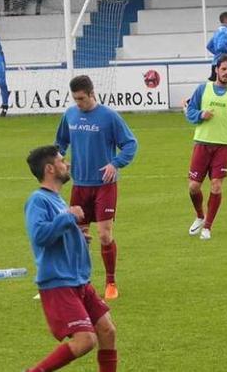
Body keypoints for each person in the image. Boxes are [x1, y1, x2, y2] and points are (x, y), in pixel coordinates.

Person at [24, 145, 118, 372]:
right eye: (61, 160)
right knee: (85, 340)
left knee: (107, 331)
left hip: (78, 281)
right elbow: (40, 235)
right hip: (59, 282)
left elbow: (57, 232)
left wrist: (77, 236)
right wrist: (68, 218)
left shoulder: (57, 200)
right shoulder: (39, 200)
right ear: (49, 169)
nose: (67, 164)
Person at [55, 75, 138, 300]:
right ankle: (81, 282)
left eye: (81, 99)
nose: (78, 103)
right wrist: (59, 159)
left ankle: (111, 282)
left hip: (104, 186)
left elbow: (131, 144)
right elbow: (61, 142)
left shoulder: (109, 117)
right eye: (75, 99)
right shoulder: (70, 115)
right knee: (79, 236)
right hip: (79, 185)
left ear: (92, 94)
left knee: (103, 235)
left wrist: (115, 163)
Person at [184, 55, 227, 241]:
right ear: (216, 70)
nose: (226, 73)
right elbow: (189, 112)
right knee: (193, 187)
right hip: (202, 144)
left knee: (216, 185)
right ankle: (200, 216)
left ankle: (207, 227)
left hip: (223, 146)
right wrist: (200, 114)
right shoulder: (202, 89)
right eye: (223, 69)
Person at [207, 12, 227, 81]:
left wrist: (218, 54)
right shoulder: (226, 32)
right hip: (223, 65)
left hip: (215, 64)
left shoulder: (217, 31)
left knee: (213, 86)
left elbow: (209, 46)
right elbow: (220, 46)